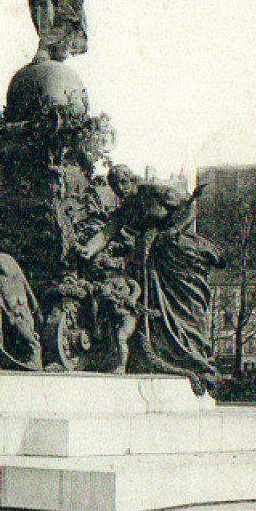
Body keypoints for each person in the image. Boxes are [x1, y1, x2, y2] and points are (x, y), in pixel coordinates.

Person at [79, 166, 224, 391]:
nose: (119, 189)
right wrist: (87, 250)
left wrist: (174, 231)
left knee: (184, 308)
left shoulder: (155, 193)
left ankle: (192, 354)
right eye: (115, 186)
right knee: (154, 309)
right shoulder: (125, 209)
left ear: (132, 179)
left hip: (175, 253)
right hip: (149, 261)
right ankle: (167, 354)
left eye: (123, 183)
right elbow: (106, 233)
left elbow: (189, 208)